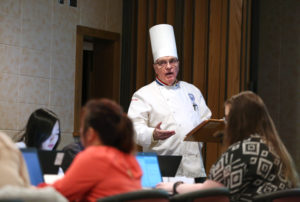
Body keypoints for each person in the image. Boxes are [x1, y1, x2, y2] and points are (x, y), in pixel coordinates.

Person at [156, 91, 299, 201]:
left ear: (238, 121)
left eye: (227, 117)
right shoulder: (273, 147)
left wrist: (174, 186)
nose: (225, 123)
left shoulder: (242, 151)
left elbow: (210, 191)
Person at [128, 24, 211, 182]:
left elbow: (206, 120)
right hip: (159, 169)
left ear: (178, 64)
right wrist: (153, 133)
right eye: (162, 63)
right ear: (155, 68)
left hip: (193, 166)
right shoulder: (143, 94)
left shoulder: (192, 91)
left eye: (172, 61)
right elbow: (132, 129)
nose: (168, 67)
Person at [39, 99, 142, 202]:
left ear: (90, 133)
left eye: (81, 127)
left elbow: (59, 192)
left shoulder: (95, 156)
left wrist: (29, 189)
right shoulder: (130, 159)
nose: (80, 131)